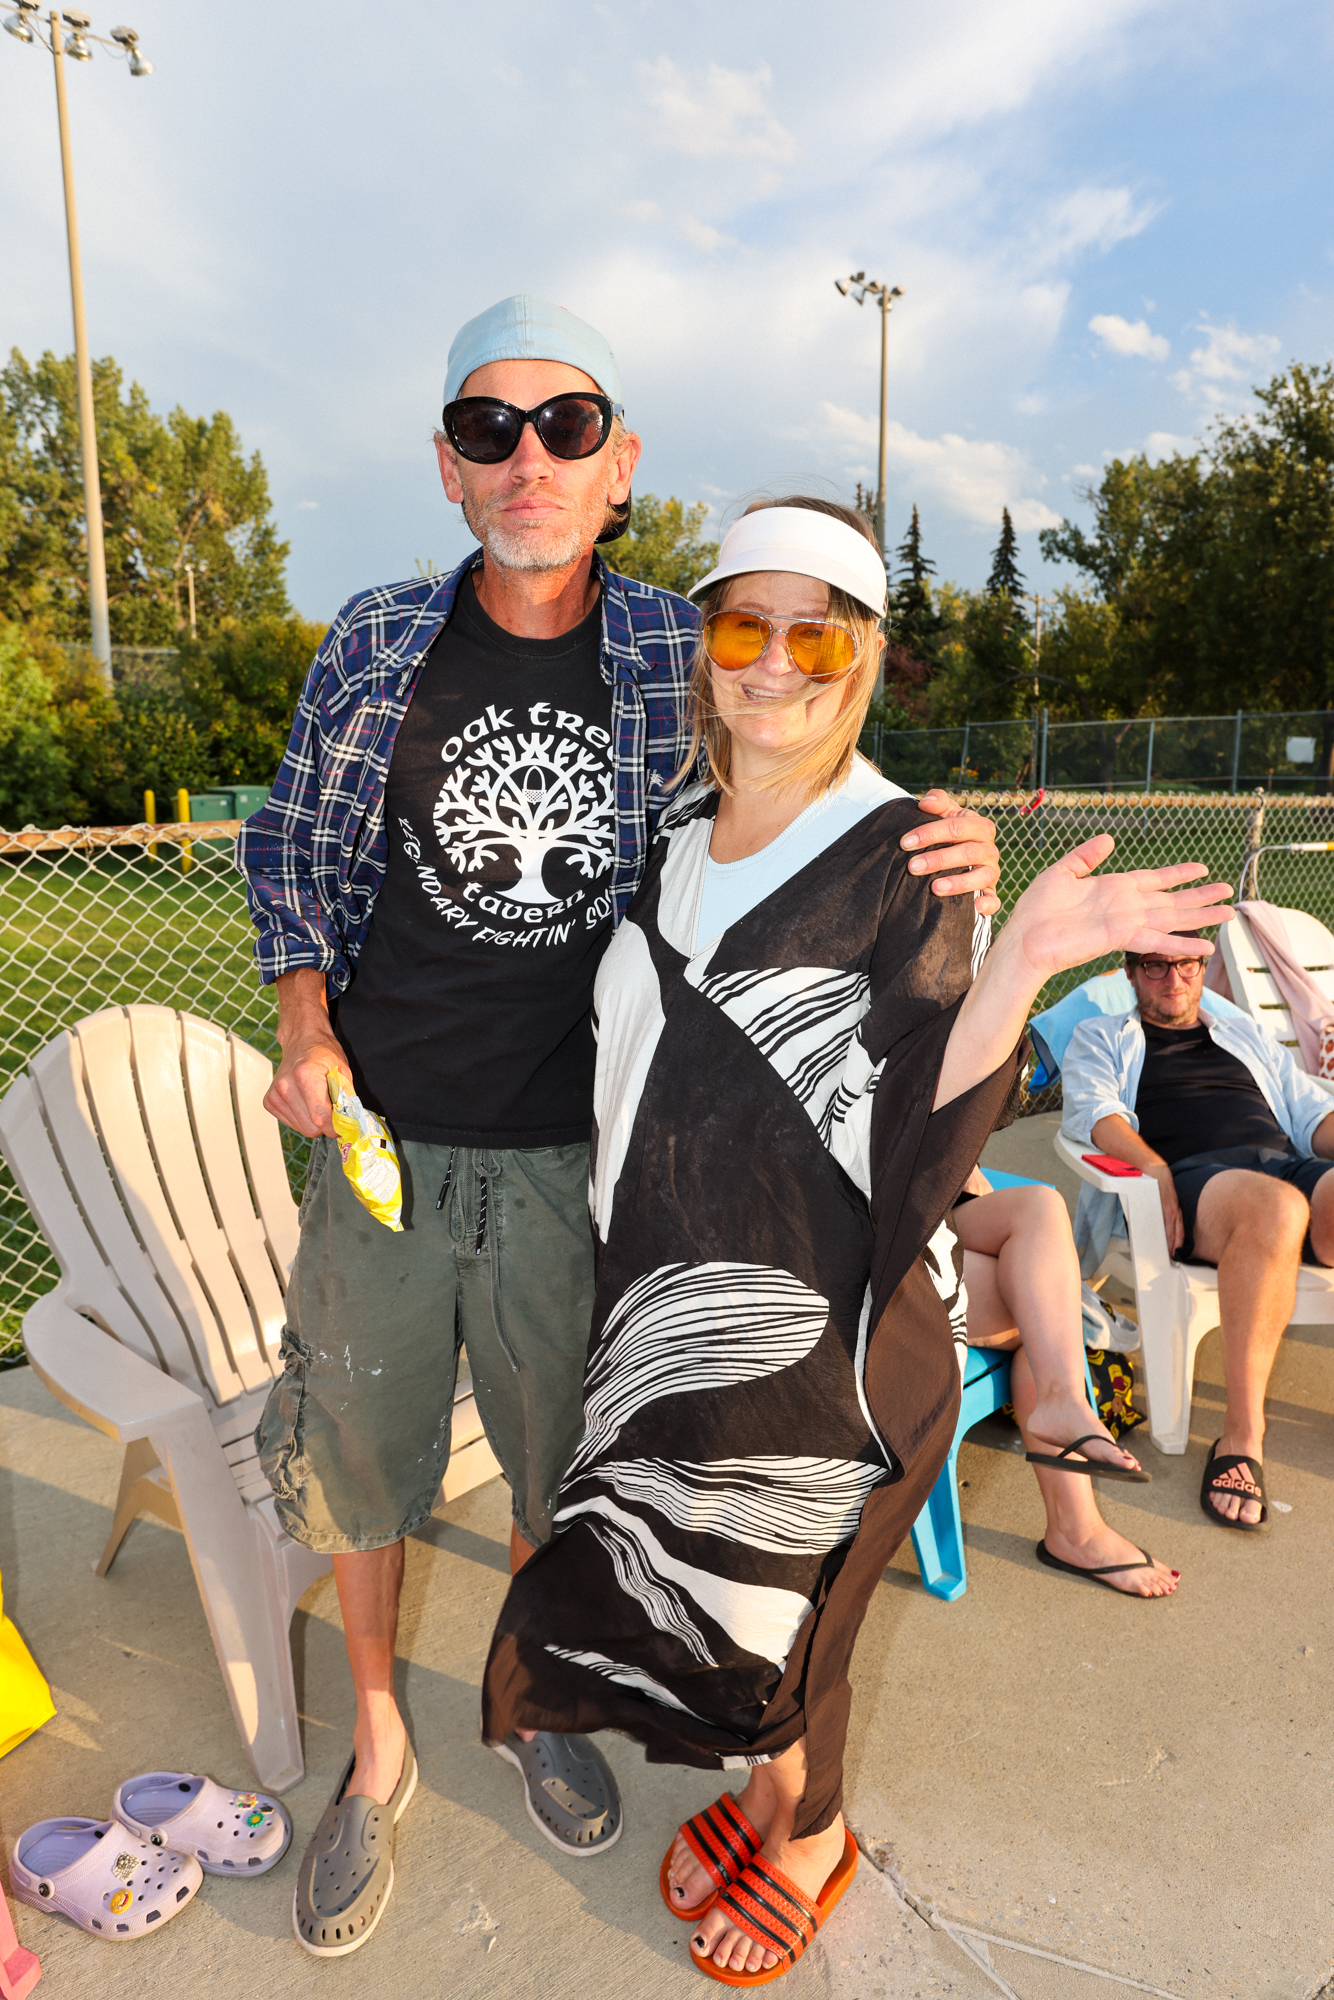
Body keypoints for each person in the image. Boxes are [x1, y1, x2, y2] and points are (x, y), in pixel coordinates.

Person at [237, 298, 1003, 1957]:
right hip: (382, 1147)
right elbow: (289, 849)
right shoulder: (374, 640)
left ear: (618, 465)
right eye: (488, 428)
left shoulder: (679, 644)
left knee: (554, 1465)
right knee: (361, 1468)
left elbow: (794, 762)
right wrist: (304, 1027)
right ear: (448, 468)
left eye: (565, 425)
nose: (528, 457)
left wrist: (939, 847)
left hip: (579, 1169)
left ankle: (534, 1702)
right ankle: (378, 1745)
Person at [481, 498, 1231, 1985]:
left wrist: (1019, 959)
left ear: (863, 656)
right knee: (714, 1608)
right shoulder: (670, 843)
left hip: (826, 1342)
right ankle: (766, 1800)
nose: (771, 662)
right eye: (739, 625)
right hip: (664, 1324)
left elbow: (916, 1142)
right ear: (704, 647)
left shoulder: (908, 855)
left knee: (798, 1624)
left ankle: (812, 1837)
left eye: (812, 634)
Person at [1061, 948, 1334, 1534]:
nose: (1174, 979)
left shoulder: (1243, 1033)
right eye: (1155, 965)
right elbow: (1094, 1113)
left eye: (1187, 964)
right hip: (1196, 1181)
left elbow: (1312, 1118)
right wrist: (1154, 1167)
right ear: (1131, 972)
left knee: (1287, 1200)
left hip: (1285, 1165)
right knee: (1279, 1208)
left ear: (1203, 969)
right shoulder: (1102, 1035)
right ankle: (1242, 1436)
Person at [953, 1169, 1179, 1595]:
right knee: (1042, 1304)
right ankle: (1077, 1530)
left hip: (922, 1205)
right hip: (853, 1234)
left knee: (1042, 1207)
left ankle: (1063, 1403)